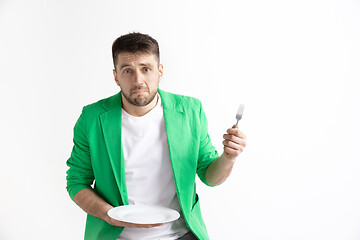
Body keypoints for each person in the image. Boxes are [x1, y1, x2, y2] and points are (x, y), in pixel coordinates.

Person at [66, 32, 247, 240]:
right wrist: (110, 216)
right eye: (127, 71)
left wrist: (228, 158)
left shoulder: (190, 111)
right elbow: (77, 181)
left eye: (146, 69)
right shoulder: (92, 118)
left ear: (160, 71)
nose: (138, 80)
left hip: (180, 235)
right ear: (116, 76)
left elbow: (210, 176)